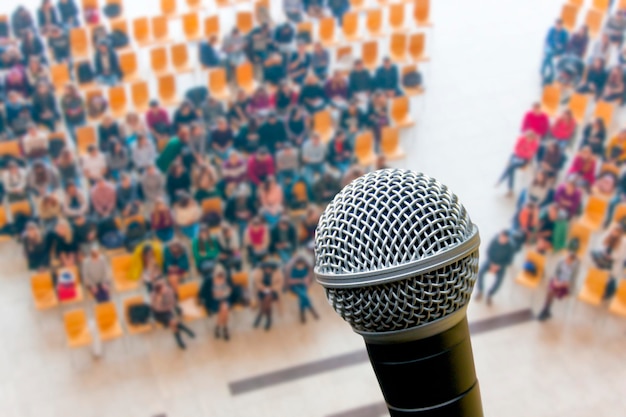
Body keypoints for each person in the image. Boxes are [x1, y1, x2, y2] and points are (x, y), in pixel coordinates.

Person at [151, 279, 196, 349]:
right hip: (158, 314)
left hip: (167, 311)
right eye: (163, 288)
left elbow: (173, 302)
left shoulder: (169, 291)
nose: (165, 288)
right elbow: (156, 308)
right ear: (159, 290)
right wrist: (158, 300)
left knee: (172, 323)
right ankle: (185, 330)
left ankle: (180, 340)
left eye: (165, 286)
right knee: (172, 322)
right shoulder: (154, 295)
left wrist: (168, 306)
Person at [537, 250, 579, 321]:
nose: (566, 260)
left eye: (568, 260)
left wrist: (561, 284)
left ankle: (545, 310)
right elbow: (556, 272)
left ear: (572, 261)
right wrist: (556, 281)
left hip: (565, 285)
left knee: (551, 292)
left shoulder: (575, 268)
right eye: (566, 258)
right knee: (550, 291)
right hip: (558, 280)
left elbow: (571, 281)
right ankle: (546, 310)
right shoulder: (561, 261)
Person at [475, 231, 515, 305]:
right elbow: (488, 252)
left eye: (504, 238)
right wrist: (492, 263)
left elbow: (509, 261)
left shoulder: (510, 247)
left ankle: (490, 294)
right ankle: (480, 290)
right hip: (491, 262)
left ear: (507, 239)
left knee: (499, 280)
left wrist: (499, 266)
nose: (502, 240)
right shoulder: (494, 241)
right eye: (501, 237)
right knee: (480, 272)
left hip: (500, 265)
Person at [496, 131, 539, 195]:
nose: (528, 140)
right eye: (527, 138)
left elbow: (529, 155)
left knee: (510, 167)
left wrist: (522, 151)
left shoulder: (535, 144)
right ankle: (509, 189)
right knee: (511, 168)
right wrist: (524, 151)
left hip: (524, 160)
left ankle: (501, 180)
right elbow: (516, 149)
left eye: (530, 138)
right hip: (516, 156)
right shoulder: (521, 139)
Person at [199, 264, 235, 340]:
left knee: (224, 310)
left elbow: (231, 290)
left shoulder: (227, 278)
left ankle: (218, 327)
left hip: (225, 298)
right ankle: (225, 328)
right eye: (219, 275)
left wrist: (224, 292)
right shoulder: (208, 280)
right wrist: (215, 293)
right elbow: (203, 293)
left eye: (222, 275)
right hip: (213, 300)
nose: (220, 277)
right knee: (224, 310)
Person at [286, 255, 319, 323]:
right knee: (303, 295)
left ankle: (302, 314)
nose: (300, 266)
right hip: (295, 287)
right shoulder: (293, 270)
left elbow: (307, 280)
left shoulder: (305, 270)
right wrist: (299, 280)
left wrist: (306, 281)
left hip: (303, 286)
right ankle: (312, 310)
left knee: (302, 295)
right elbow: (290, 281)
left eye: (302, 265)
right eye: (299, 265)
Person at [252, 261, 284, 330]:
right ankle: (269, 319)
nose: (268, 269)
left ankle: (260, 314)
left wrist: (272, 288)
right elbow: (256, 282)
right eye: (266, 268)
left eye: (269, 268)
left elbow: (280, 283)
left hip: (274, 291)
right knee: (268, 302)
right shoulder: (259, 272)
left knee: (268, 297)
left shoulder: (277, 273)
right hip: (262, 291)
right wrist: (262, 287)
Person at [541, 19, 568, 84]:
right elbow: (548, 39)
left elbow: (565, 45)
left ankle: (543, 72)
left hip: (558, 50)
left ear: (561, 25)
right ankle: (547, 73)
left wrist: (561, 53)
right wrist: (554, 44)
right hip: (551, 47)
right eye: (556, 25)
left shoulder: (564, 33)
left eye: (559, 25)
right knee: (548, 55)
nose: (557, 27)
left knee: (547, 56)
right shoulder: (551, 30)